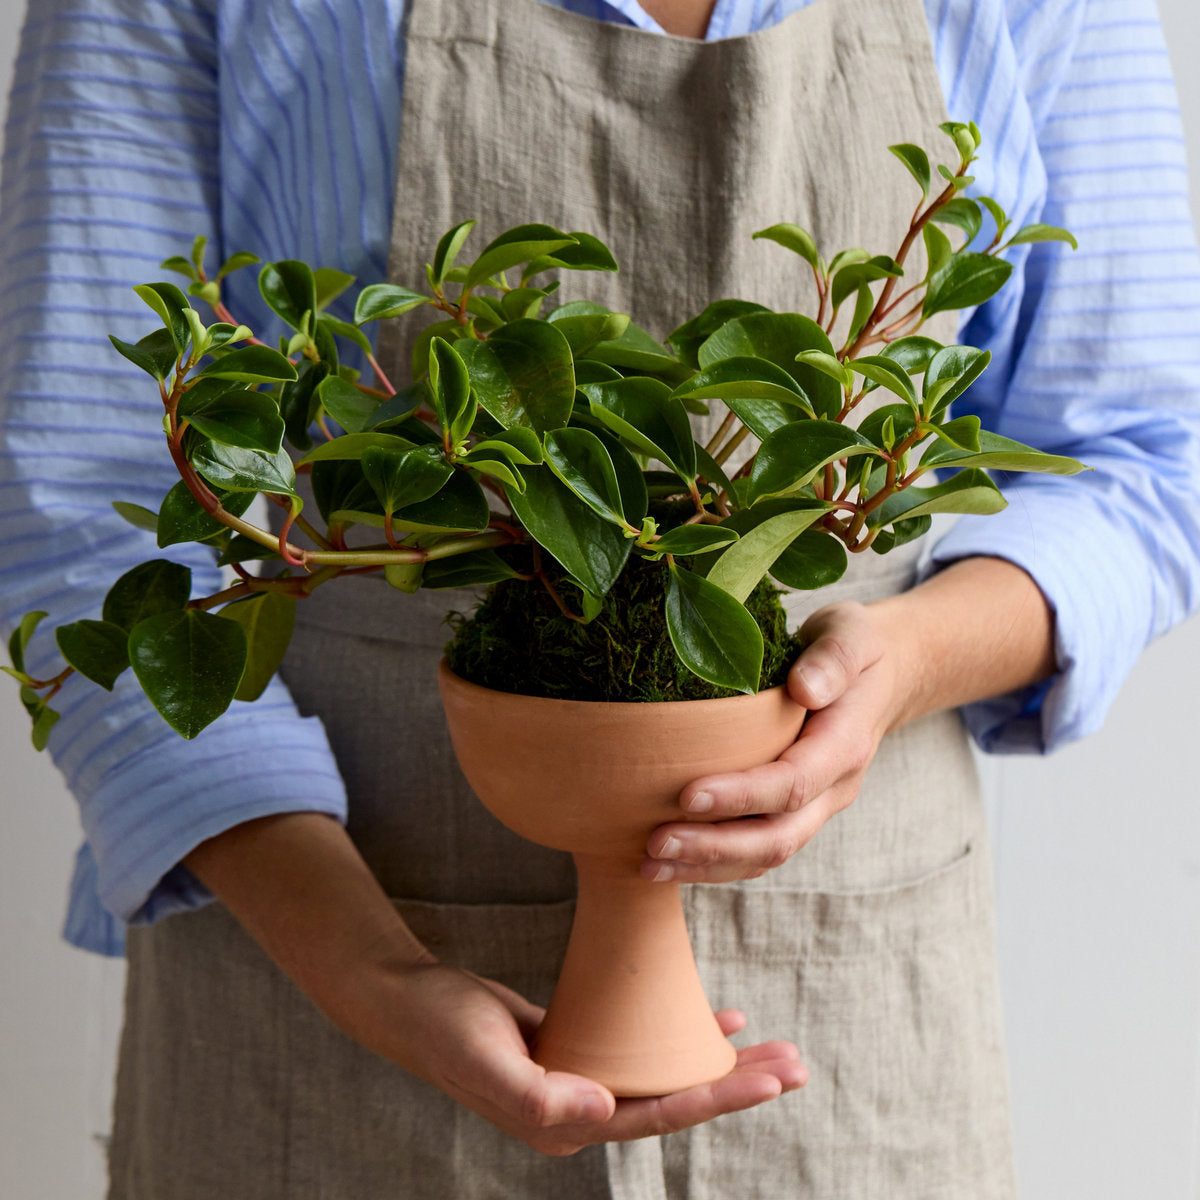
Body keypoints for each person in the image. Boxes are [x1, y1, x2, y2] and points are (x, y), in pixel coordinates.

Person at [1, 0, 1198, 1196]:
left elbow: (1146, 460)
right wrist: (372, 972)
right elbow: (81, 496)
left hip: (847, 998)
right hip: (327, 966)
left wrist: (908, 660)